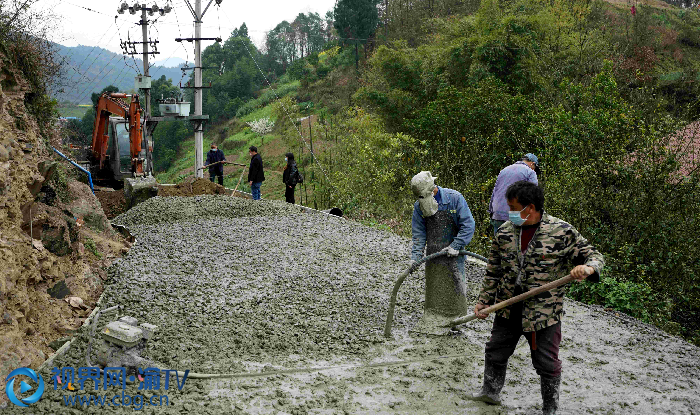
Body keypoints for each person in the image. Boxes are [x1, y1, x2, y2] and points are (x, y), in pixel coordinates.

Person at [472, 181, 604, 415]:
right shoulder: (504, 233)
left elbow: (593, 255)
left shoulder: (561, 232)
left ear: (530, 208)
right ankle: (490, 392)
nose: (510, 212)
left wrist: (588, 269)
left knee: (546, 363)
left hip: (543, 313)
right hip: (507, 307)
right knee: (495, 351)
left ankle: (549, 409)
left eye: (513, 207)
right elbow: (493, 270)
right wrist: (484, 301)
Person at [410, 171, 475, 278]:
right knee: (433, 290)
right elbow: (419, 234)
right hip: (432, 256)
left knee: (456, 288)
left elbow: (468, 225)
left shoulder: (454, 199)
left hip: (455, 255)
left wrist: (456, 245)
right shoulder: (419, 207)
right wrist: (415, 257)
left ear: (431, 190)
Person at [488, 153, 539, 237]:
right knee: (517, 247)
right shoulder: (530, 172)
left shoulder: (504, 170)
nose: (534, 169)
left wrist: (491, 212)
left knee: (499, 246)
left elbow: (495, 191)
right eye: (535, 167)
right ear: (532, 163)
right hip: (514, 216)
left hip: (497, 214)